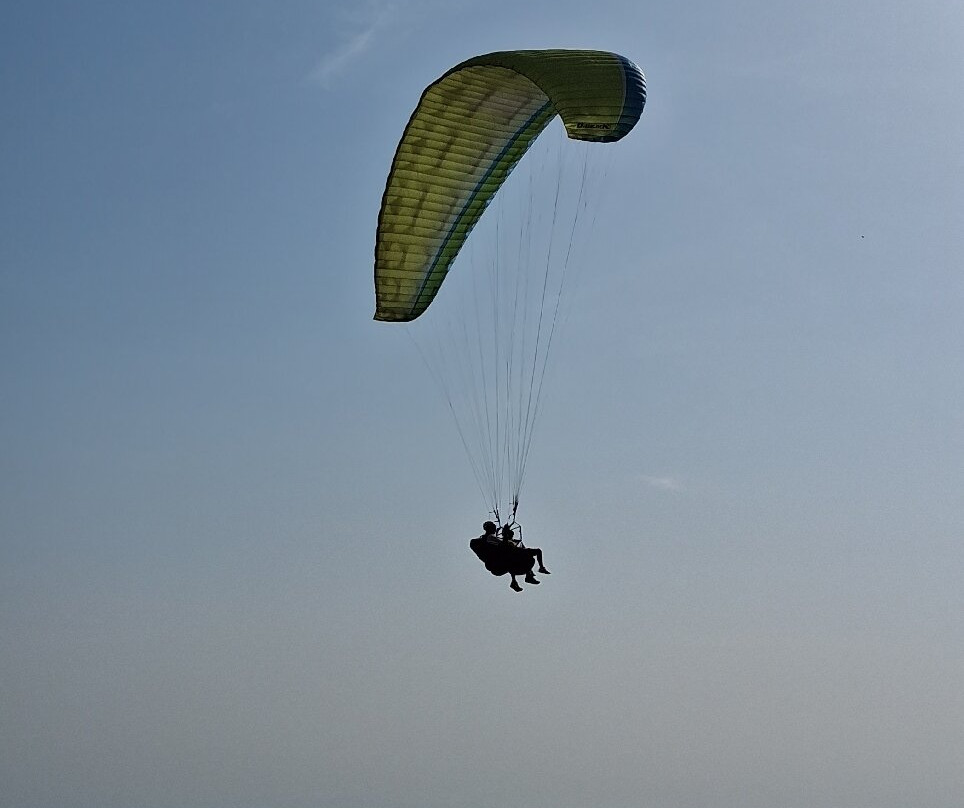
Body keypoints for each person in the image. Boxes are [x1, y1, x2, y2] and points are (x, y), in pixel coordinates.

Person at [469, 520, 550, 592]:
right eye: (494, 527)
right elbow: (504, 545)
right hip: (501, 559)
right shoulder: (490, 538)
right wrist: (505, 535)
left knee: (514, 559)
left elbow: (503, 546)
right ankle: (538, 570)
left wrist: (506, 536)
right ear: (491, 528)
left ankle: (518, 580)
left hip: (502, 562)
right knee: (534, 553)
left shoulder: (488, 538)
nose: (495, 529)